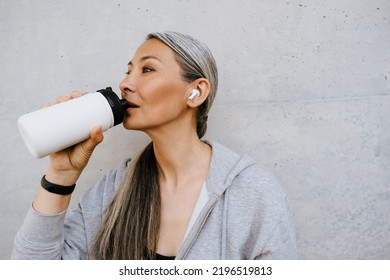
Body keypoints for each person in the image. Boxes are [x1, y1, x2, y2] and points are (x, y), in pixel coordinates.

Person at [12, 31, 297, 260]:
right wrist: (61, 176)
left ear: (196, 91)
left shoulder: (254, 193)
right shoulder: (114, 190)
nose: (125, 83)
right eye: (128, 71)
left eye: (147, 69)